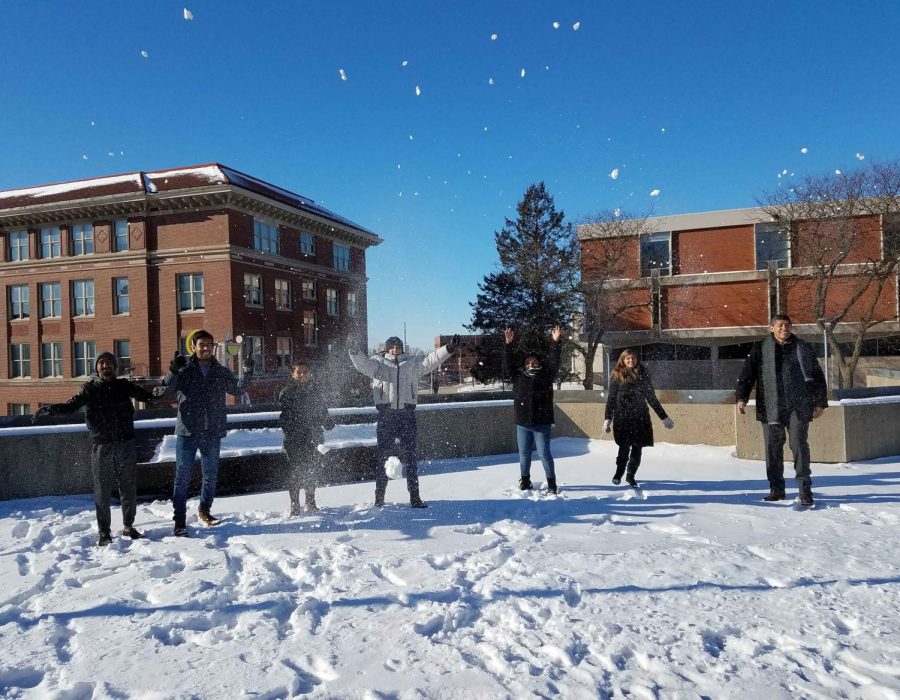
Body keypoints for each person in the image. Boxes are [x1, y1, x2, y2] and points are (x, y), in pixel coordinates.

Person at [32, 352, 157, 547]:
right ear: (97, 368)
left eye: (109, 363)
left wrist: (172, 375)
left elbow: (150, 397)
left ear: (115, 367)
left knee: (128, 488)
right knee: (102, 491)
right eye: (102, 363)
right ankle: (104, 533)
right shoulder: (89, 389)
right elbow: (71, 407)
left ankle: (128, 526)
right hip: (102, 446)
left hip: (125, 444)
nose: (106, 366)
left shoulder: (124, 386)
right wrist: (50, 409)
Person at [348, 334, 459, 508]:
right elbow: (363, 365)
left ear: (402, 348)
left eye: (398, 347)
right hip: (386, 415)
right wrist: (354, 351)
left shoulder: (412, 364)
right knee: (383, 457)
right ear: (387, 349)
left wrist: (448, 349)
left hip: (407, 415)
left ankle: (415, 497)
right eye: (392, 347)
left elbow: (431, 361)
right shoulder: (378, 364)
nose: (395, 349)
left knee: (411, 458)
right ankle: (379, 498)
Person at [163, 329, 254, 536]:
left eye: (209, 345)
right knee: (182, 476)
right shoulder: (184, 370)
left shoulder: (220, 371)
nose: (205, 349)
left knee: (210, 475)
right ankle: (179, 520)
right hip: (188, 431)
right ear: (193, 347)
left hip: (212, 431)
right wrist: (173, 370)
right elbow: (166, 388)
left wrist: (248, 373)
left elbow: (238, 390)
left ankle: (205, 510)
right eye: (201, 345)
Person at [735, 313, 827, 506]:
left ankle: (805, 491)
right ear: (771, 328)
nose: (784, 329)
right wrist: (741, 397)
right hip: (770, 406)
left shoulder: (802, 347)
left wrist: (820, 403)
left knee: (799, 446)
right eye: (780, 325)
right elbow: (747, 374)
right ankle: (776, 490)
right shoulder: (760, 348)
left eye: (787, 325)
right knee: (772, 449)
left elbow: (817, 376)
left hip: (798, 405)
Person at [503, 325, 563, 494]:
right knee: (524, 455)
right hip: (522, 423)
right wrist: (508, 344)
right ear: (524, 364)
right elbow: (508, 363)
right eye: (528, 362)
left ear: (539, 363)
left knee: (545, 455)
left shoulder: (546, 375)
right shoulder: (518, 377)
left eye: (534, 361)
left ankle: (552, 483)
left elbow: (554, 360)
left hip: (542, 423)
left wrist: (555, 342)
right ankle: (525, 480)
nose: (531, 363)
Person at [603, 349, 674, 488]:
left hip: (640, 417)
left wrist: (664, 417)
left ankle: (631, 476)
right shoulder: (617, 375)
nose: (631, 361)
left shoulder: (643, 374)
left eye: (633, 358)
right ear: (623, 360)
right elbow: (611, 398)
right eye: (628, 359)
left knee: (637, 449)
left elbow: (651, 398)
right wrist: (607, 418)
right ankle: (619, 473)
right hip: (623, 418)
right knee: (623, 448)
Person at [278, 360, 331, 515]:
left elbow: (323, 412)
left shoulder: (316, 391)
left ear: (310, 373)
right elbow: (285, 417)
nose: (302, 375)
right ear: (293, 374)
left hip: (314, 437)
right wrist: (294, 427)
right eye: (298, 372)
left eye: (305, 372)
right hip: (294, 438)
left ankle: (310, 501)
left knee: (312, 470)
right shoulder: (287, 392)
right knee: (295, 471)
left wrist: (327, 421)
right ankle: (294, 503)